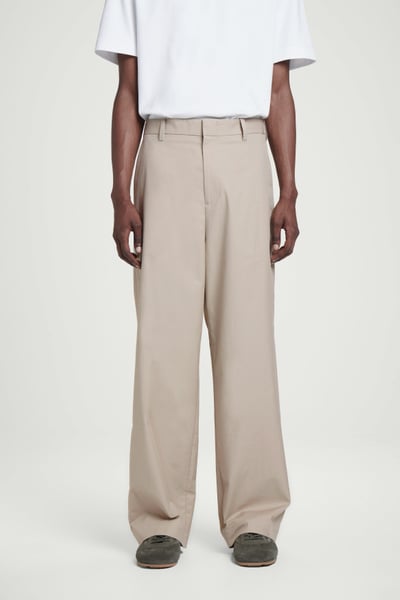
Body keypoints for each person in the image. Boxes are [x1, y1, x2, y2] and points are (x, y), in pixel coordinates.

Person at [94, 0, 316, 569]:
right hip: (163, 150)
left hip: (244, 150)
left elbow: (279, 88)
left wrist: (288, 189)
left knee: (248, 343)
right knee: (162, 346)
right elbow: (128, 90)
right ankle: (159, 517)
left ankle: (255, 515)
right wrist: (121, 192)